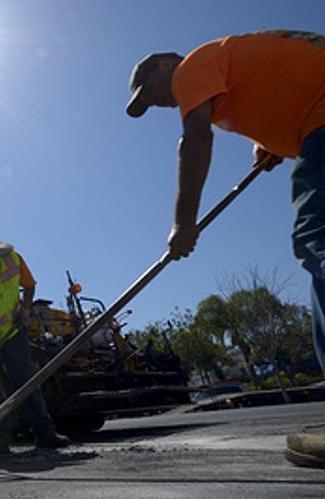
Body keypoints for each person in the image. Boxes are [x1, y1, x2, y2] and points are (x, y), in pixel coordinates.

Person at [125, 29, 325, 469]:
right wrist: (271, 144)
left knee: (319, 239)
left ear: (165, 64)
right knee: (317, 265)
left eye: (150, 92)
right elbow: (283, 78)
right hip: (313, 124)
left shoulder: (192, 65)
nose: (157, 102)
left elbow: (195, 141)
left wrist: (183, 223)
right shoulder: (220, 65)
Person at [0, 224, 70, 454]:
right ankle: (0, 443)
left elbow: (29, 286)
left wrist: (25, 310)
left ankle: (45, 434)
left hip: (13, 331)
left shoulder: (13, 260)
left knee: (26, 381)